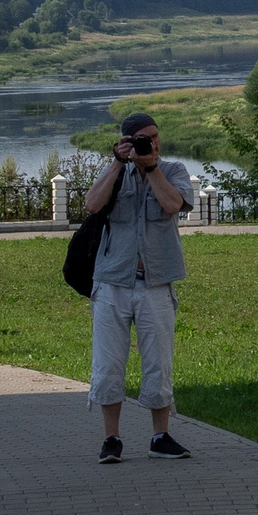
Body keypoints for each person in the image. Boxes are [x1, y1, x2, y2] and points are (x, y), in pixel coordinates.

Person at [82, 113, 193, 464]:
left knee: (158, 362)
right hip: (112, 282)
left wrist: (151, 168)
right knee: (108, 363)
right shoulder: (115, 171)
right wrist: (119, 164)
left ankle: (159, 436)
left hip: (156, 284)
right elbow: (92, 204)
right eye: (143, 139)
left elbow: (174, 205)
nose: (153, 144)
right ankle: (111, 438)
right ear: (126, 141)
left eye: (156, 137)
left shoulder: (173, 170)